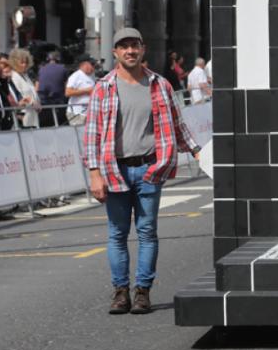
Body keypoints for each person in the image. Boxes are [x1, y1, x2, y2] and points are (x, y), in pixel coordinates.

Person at [84, 28, 201, 315]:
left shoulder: (159, 85)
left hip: (150, 167)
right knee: (117, 233)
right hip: (115, 169)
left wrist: (198, 152)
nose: (130, 52)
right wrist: (94, 173)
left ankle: (142, 292)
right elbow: (92, 133)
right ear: (115, 53)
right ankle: (120, 292)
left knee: (147, 232)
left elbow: (177, 124)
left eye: (134, 46)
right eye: (123, 47)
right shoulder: (104, 86)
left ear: (143, 49)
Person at [9, 48, 42, 128]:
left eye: (26, 63)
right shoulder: (14, 77)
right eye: (22, 63)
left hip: (33, 114)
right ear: (15, 63)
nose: (24, 65)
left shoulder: (25, 75)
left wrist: (38, 103)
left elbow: (32, 92)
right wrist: (33, 103)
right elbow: (18, 97)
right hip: (23, 115)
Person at [37, 50, 69, 126]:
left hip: (43, 102)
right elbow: (67, 86)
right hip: (58, 103)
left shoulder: (41, 69)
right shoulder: (63, 69)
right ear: (59, 59)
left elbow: (37, 86)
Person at [66, 56, 98, 125]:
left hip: (89, 113)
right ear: (85, 65)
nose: (94, 67)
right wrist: (86, 91)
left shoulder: (92, 76)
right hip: (77, 113)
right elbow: (68, 92)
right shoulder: (76, 76)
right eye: (92, 65)